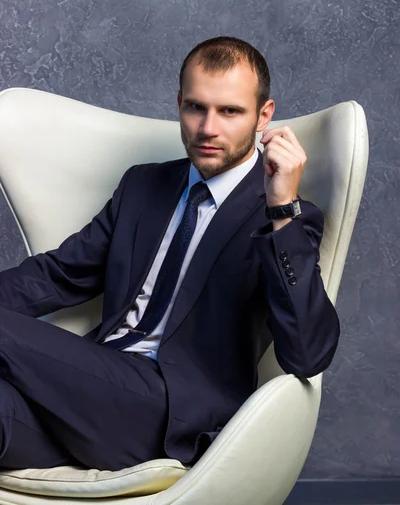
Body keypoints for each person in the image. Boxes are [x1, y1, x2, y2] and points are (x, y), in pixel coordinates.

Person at [0, 36, 340, 472]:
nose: (208, 128)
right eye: (196, 107)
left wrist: (282, 210)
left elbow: (308, 355)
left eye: (230, 111)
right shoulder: (143, 187)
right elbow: (56, 276)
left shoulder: (286, 218)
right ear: (179, 103)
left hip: (171, 412)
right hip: (88, 399)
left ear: (264, 116)